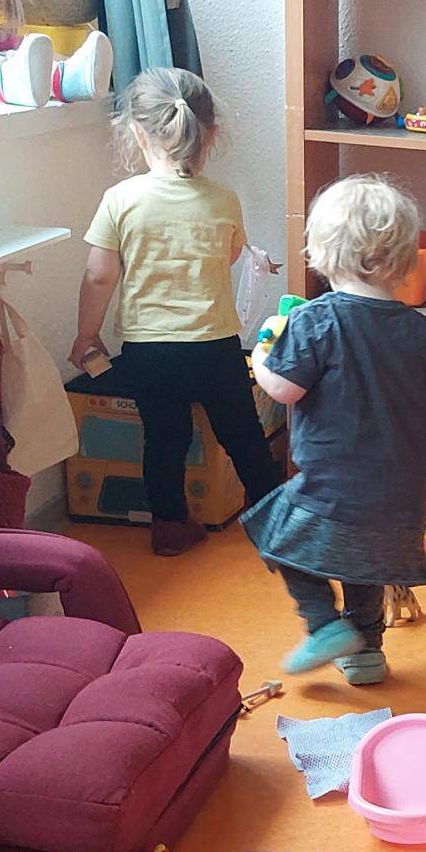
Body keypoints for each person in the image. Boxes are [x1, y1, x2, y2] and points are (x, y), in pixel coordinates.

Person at [247, 174, 426, 686]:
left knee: (273, 529)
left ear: (322, 252)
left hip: (334, 488)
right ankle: (366, 653)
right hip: (405, 496)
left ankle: (322, 624)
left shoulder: (314, 321)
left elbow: (284, 391)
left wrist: (264, 358)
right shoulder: (422, 329)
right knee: (365, 565)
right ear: (404, 259)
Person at [71, 70, 281, 556]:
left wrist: (87, 335)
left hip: (149, 350)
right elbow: (230, 255)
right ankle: (276, 519)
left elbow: (99, 276)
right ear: (211, 134)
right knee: (242, 434)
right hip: (214, 345)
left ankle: (168, 526)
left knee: (164, 440)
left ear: (136, 132)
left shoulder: (120, 200)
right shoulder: (223, 200)